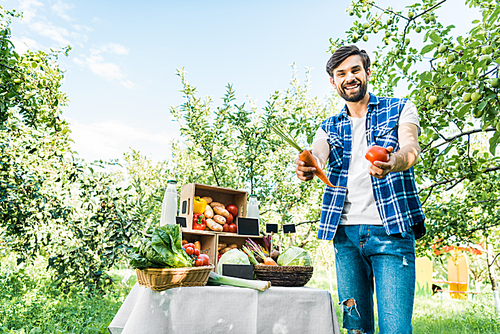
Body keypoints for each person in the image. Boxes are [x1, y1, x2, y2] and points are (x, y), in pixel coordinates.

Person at [295, 45, 426, 334]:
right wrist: (309, 164)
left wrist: (393, 161)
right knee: (355, 329)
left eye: (355, 70)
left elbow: (410, 148)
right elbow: (318, 154)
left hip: (391, 232)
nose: (349, 77)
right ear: (333, 81)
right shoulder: (328, 127)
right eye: (341, 73)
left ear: (367, 72)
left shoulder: (400, 108)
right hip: (346, 236)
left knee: (395, 328)